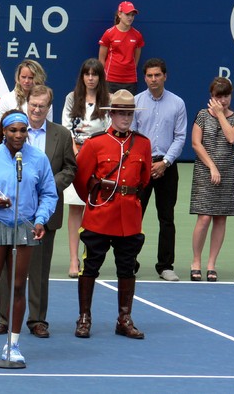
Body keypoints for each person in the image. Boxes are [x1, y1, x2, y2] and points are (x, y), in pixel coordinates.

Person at [0, 110, 58, 364]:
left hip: (25, 228)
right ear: (3, 132)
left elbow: (49, 194)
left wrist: (40, 220)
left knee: (18, 287)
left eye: (22, 130)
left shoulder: (38, 159)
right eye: (13, 130)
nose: (18, 135)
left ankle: (12, 345)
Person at [0, 85, 76, 339]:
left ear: (50, 108)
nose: (37, 110)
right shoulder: (13, 133)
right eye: (33, 105)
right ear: (27, 104)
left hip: (45, 212)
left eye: (42, 106)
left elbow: (70, 169)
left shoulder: (61, 134)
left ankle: (37, 320)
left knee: (39, 271)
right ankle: (2, 319)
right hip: (11, 213)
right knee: (6, 267)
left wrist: (48, 185)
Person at [72, 89, 151, 339]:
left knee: (127, 268)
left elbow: (144, 179)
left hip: (128, 216)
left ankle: (124, 318)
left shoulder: (143, 143)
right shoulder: (95, 143)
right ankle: (84, 317)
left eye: (129, 113)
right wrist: (95, 202)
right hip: (100, 213)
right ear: (111, 114)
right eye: (121, 113)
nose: (126, 118)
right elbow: (81, 179)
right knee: (90, 267)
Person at [133, 58, 187, 281]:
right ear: (144, 77)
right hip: (140, 167)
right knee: (135, 216)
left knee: (167, 217)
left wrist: (164, 162)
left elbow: (180, 136)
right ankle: (129, 262)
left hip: (167, 168)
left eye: (157, 75)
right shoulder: (136, 101)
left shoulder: (177, 103)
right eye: (149, 76)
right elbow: (133, 136)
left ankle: (165, 265)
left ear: (165, 76)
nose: (153, 79)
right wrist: (146, 163)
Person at [189, 77, 234, 282]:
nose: (223, 100)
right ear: (211, 97)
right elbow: (196, 144)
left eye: (226, 96)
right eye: (218, 96)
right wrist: (212, 166)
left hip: (227, 173)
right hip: (205, 172)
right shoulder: (202, 115)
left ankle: (211, 264)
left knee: (221, 218)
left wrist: (221, 115)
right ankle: (196, 262)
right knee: (204, 218)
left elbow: (232, 138)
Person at [61, 58, 110, 278]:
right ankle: (73, 260)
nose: (90, 78)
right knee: (75, 209)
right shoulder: (72, 99)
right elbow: (65, 128)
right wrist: (76, 152)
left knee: (94, 209)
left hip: (98, 160)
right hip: (75, 158)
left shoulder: (107, 100)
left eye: (95, 74)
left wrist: (93, 153)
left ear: (100, 77)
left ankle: (87, 257)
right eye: (87, 74)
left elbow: (108, 131)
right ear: (82, 76)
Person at [98, 1, 145, 95]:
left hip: (130, 81)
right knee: (109, 108)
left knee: (128, 108)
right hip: (110, 79)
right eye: (127, 14)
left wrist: (129, 71)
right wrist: (104, 77)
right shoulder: (109, 33)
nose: (130, 17)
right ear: (119, 14)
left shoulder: (137, 35)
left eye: (132, 15)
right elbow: (101, 59)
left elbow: (136, 58)